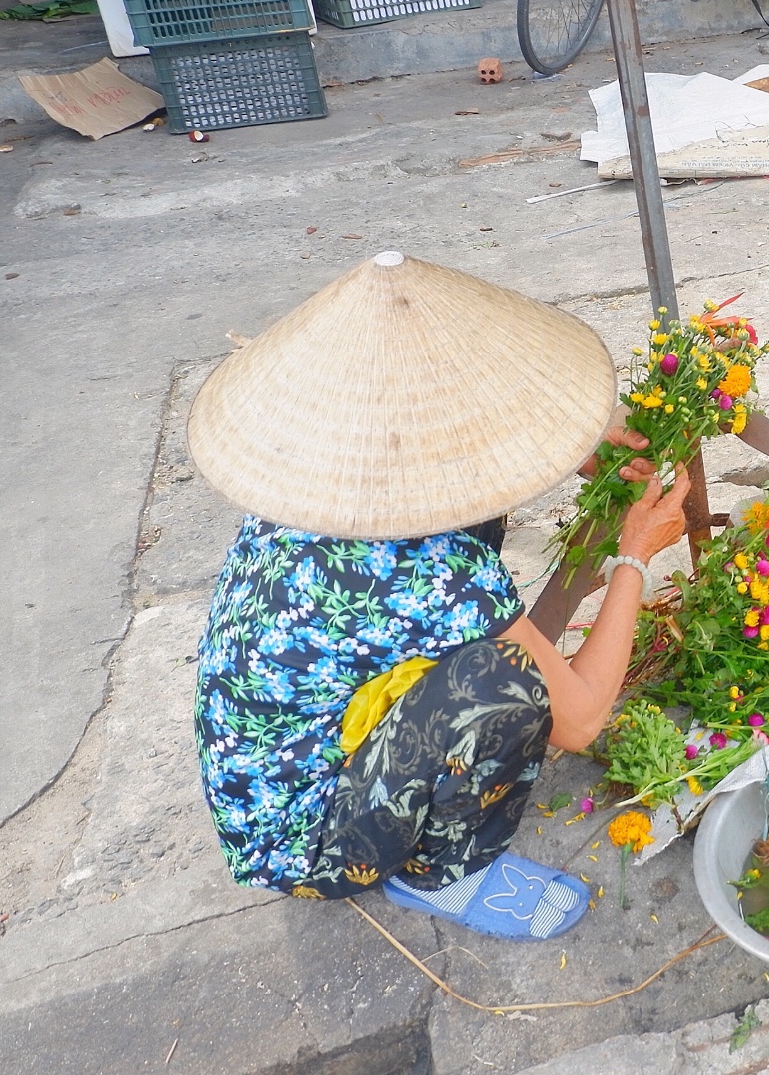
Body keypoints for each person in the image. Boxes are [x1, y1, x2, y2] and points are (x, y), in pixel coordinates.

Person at [187, 251, 674, 940]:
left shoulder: (311, 490)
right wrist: (634, 554)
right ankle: (441, 872)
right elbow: (584, 718)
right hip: (305, 838)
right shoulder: (438, 573)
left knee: (484, 563)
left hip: (264, 778)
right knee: (507, 683)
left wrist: (578, 444)